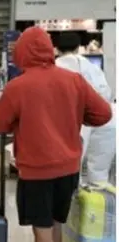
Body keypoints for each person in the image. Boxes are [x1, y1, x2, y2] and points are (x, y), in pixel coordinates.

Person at [0, 27, 112, 242]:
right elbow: (103, 113)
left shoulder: (19, 86)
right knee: (56, 224)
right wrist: (74, 121)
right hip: (69, 166)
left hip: (37, 169)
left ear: (22, 52)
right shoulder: (74, 80)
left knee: (42, 230)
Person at [56, 32, 115, 183]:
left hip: (65, 124)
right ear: (78, 48)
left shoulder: (53, 67)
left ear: (56, 48)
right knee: (98, 174)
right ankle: (95, 202)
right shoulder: (92, 67)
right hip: (99, 122)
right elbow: (106, 94)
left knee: (66, 171)